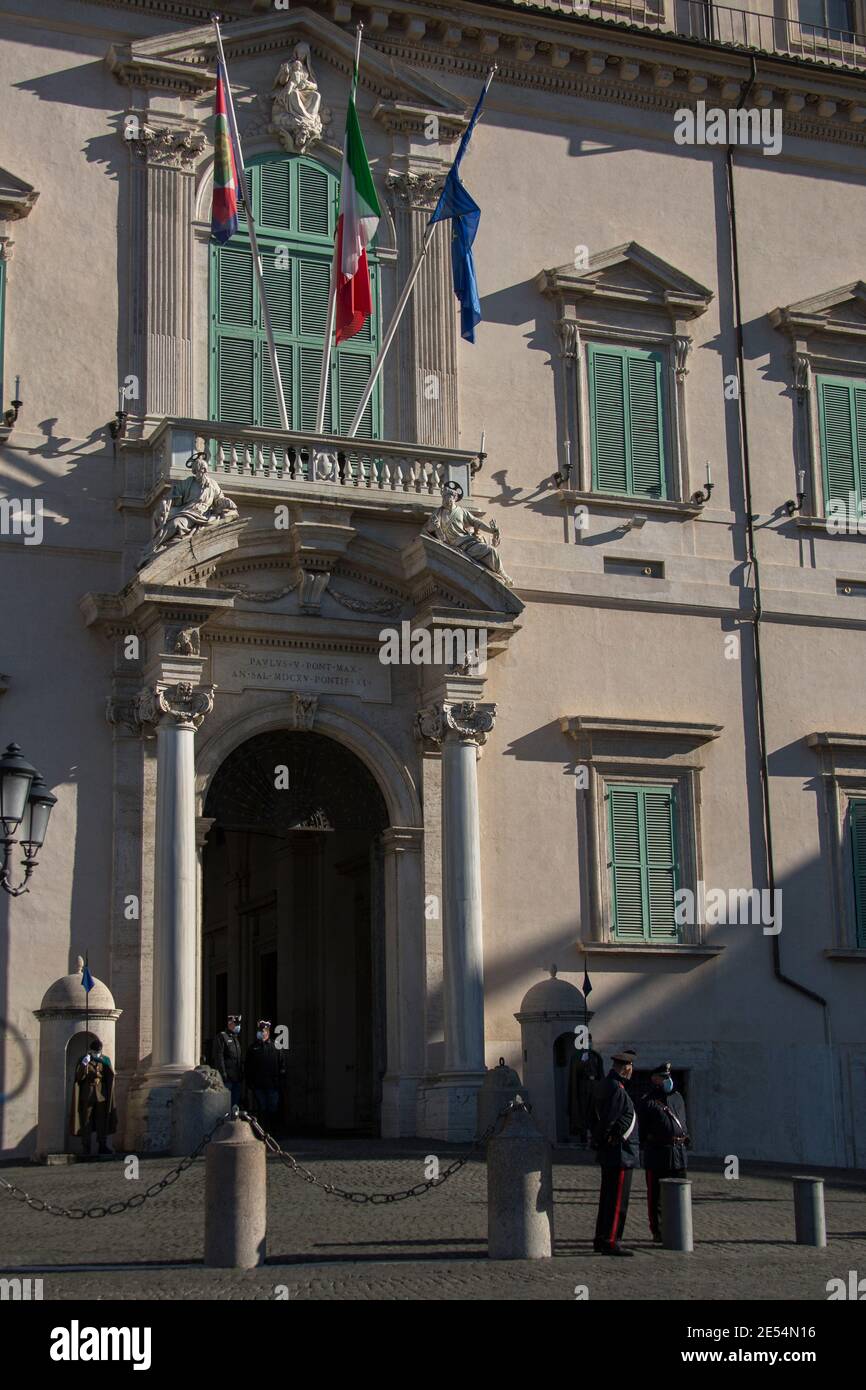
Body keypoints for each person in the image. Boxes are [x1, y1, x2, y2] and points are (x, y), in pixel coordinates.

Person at [591, 1049, 639, 1256]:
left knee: (608, 1198)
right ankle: (611, 1240)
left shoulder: (606, 1085)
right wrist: (608, 1139)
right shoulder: (617, 1089)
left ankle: (602, 1238)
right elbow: (610, 1120)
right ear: (627, 1068)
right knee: (617, 1200)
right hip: (619, 1153)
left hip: (612, 1152)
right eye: (631, 1068)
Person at [638, 1061, 689, 1243]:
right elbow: (642, 1131)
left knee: (681, 1192)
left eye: (669, 1077)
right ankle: (657, 1230)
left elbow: (682, 1121)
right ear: (655, 1079)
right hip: (657, 1152)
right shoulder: (648, 1101)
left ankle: (679, 1226)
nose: (668, 1080)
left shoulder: (678, 1097)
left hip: (678, 1152)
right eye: (664, 1077)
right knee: (656, 1195)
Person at [424, 480, 513, 584]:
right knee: (490, 551)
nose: (444, 499)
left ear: (454, 497)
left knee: (491, 551)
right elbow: (428, 529)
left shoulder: (461, 511)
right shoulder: (438, 512)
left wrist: (490, 530)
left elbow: (476, 522)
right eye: (443, 497)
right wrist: (435, 527)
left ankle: (502, 574)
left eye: (446, 496)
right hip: (455, 545)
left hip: (467, 542)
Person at [70, 1036, 117, 1158]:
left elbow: (109, 1076)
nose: (97, 1053)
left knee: (102, 1121)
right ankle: (86, 1146)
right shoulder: (84, 1059)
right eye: (95, 1051)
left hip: (102, 1095)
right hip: (87, 1094)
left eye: (99, 1051)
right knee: (86, 1121)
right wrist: (84, 1065)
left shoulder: (105, 1059)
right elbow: (79, 1078)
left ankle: (102, 1144)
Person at [245, 1021, 286, 1134]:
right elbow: (248, 1066)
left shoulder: (275, 1047)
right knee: (262, 1109)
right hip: (258, 1085)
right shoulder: (253, 1048)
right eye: (259, 1031)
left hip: (272, 1085)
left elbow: (282, 1065)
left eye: (263, 1031)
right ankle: (262, 1132)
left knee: (273, 1109)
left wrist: (280, 1082)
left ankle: (274, 1132)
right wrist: (250, 1082)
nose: (261, 1033)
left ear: (267, 1032)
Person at [568, 1031, 604, 1144]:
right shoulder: (578, 1056)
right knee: (583, 1113)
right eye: (586, 1041)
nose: (588, 1043)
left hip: (595, 1085)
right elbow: (575, 1072)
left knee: (595, 1112)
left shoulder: (595, 1056)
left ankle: (595, 1137)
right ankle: (583, 1138)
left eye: (589, 1041)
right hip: (583, 1086)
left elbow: (600, 1073)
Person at [212, 1014, 244, 1109]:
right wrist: (223, 1074)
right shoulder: (222, 1037)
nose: (238, 1026)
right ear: (230, 1024)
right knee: (225, 1106)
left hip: (236, 1078)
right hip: (227, 1078)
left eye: (238, 1024)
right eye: (236, 1024)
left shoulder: (235, 1038)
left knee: (234, 1105)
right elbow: (219, 1057)